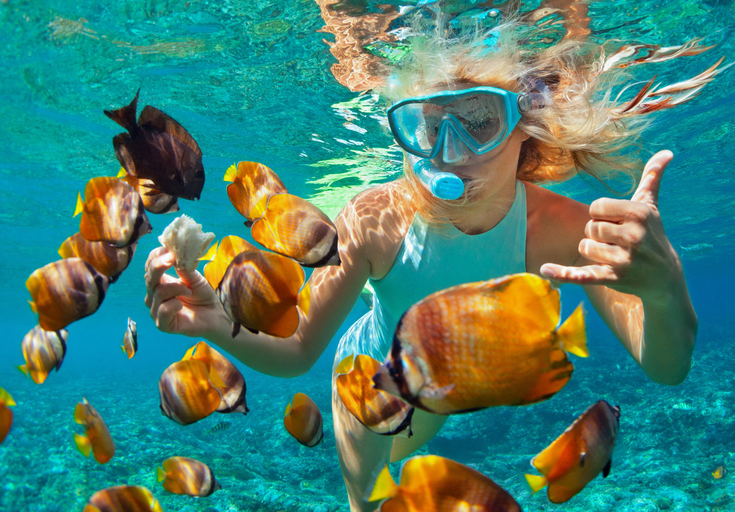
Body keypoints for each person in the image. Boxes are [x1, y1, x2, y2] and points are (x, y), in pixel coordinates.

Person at [144, 17, 719, 511]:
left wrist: (664, 284)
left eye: (477, 120)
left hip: (444, 383)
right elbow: (297, 352)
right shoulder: (375, 221)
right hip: (367, 376)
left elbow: (667, 368)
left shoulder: (562, 229)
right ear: (404, 130)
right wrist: (216, 326)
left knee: (404, 465)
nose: (450, 151)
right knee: (367, 499)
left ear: (526, 127)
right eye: (427, 124)